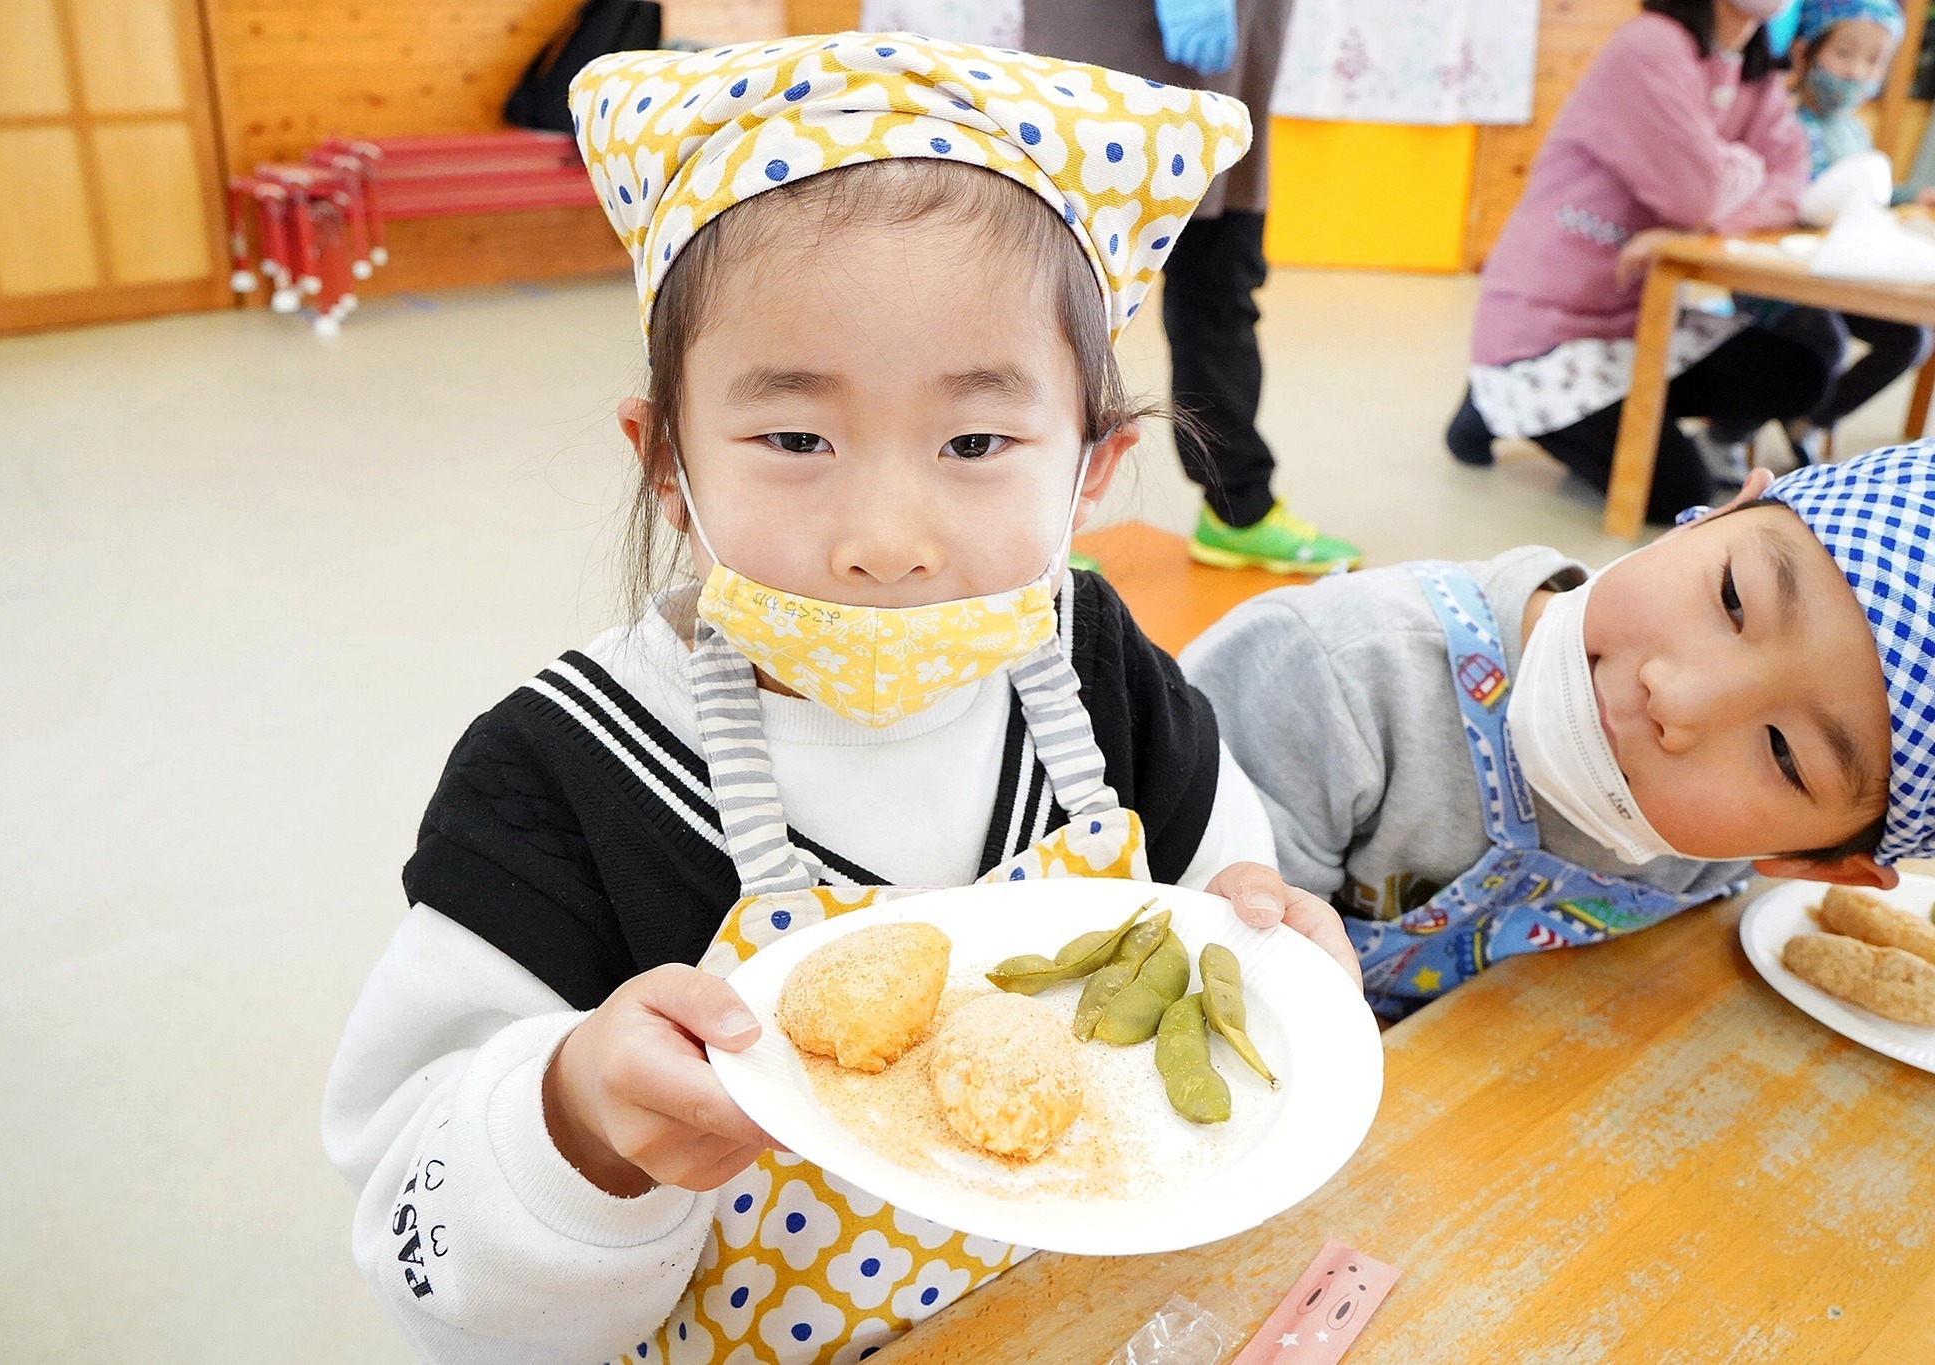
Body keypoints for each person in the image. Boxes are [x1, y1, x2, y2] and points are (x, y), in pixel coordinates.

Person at [321, 35, 1361, 1365]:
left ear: (1094, 467)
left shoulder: (1100, 667)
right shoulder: (559, 776)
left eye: (977, 442)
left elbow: (1222, 898)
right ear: (668, 463)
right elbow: (421, 1243)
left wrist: (1266, 949)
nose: (887, 539)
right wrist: (574, 1126)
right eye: (796, 439)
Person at [1186, 442, 1935, 1019]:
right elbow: (1177, 960)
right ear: (1715, 513)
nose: (1677, 695)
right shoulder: (1331, 676)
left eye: (1781, 750)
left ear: (1814, 865)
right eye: (1734, 598)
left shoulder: (1720, 861)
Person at [1445, 0, 1828, 523]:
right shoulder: (1650, 44)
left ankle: (1621, 418)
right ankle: (1491, 401)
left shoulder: (1757, 72)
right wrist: (1741, 169)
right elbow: (1697, 194)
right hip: (1549, 326)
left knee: (1799, 372)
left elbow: (1791, 186)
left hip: (1641, 321)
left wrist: (1715, 197)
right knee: (1676, 496)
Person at [1021, 0, 1363, 573]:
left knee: (1221, 291)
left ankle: (1238, 510)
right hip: (1108, 62)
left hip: (1230, 78)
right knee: (1063, 300)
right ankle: (1030, 520)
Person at [1706, 0, 1934, 467]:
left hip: (1838, 276)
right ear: (1806, 51)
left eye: (1873, 61)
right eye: (1844, 54)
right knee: (1823, 341)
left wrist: (1912, 196)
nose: (1856, 72)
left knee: (1910, 338)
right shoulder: (1777, 122)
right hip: (1775, 280)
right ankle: (1728, 430)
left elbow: (1865, 196)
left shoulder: (1854, 133)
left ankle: (1811, 419)